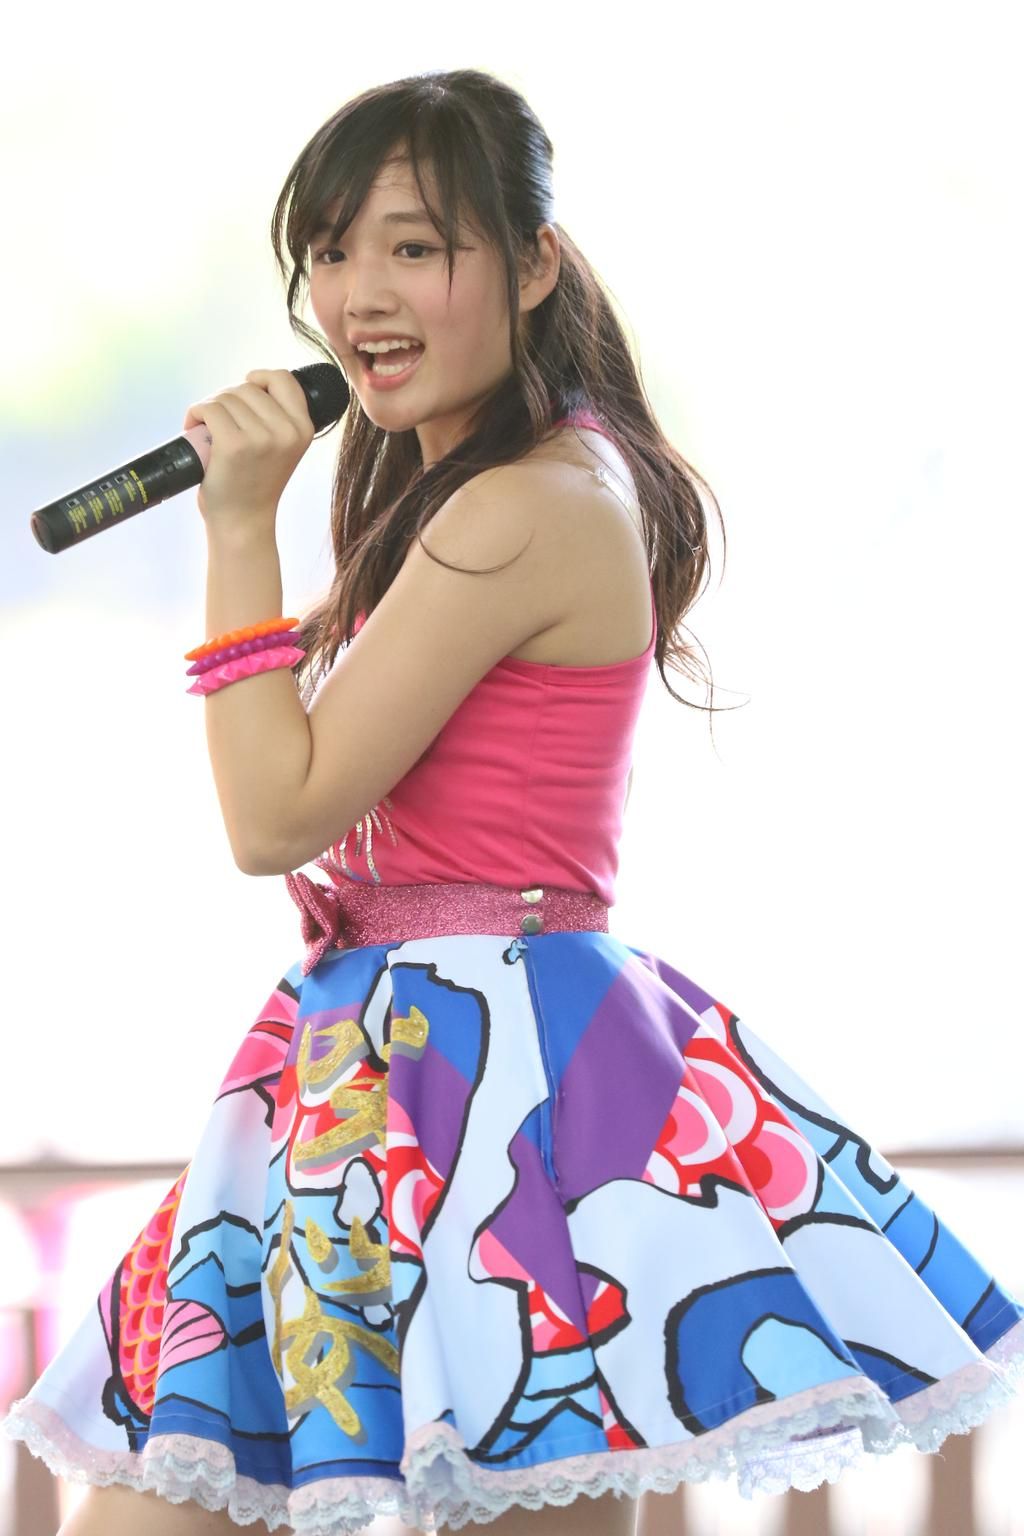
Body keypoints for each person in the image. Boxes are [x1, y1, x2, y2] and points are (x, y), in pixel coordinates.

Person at [5, 66, 1022, 1536]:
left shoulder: (527, 504)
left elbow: (274, 815)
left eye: (416, 247)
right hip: (383, 1071)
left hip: (499, 1088)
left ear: (534, 263)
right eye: (332, 252)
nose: (361, 294)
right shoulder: (490, 492)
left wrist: (236, 529)